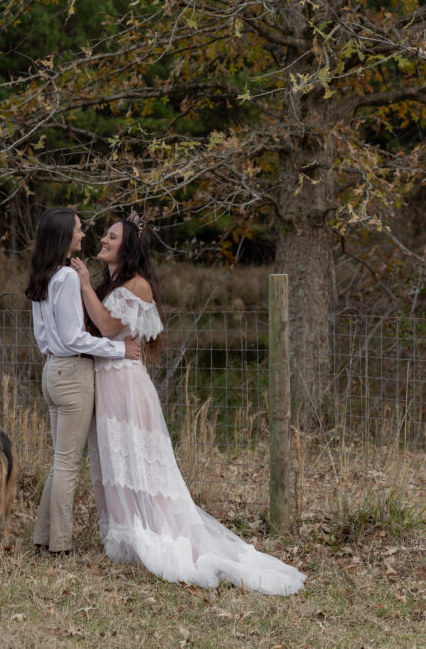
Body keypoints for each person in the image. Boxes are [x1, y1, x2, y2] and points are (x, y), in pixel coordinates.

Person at [71, 215, 305, 594]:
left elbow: (109, 327)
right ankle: (128, 531)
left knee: (144, 465)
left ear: (127, 246)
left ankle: (161, 534)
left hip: (128, 389)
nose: (103, 239)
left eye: (111, 236)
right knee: (118, 461)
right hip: (109, 384)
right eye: (104, 235)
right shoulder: (112, 283)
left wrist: (83, 285)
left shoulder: (138, 284)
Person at [25, 207, 142, 556]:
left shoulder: (43, 275)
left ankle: (43, 538)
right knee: (67, 464)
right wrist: (117, 348)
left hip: (51, 371)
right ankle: (60, 545)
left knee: (59, 460)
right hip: (73, 374)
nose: (83, 235)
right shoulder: (65, 278)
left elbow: (45, 334)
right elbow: (75, 338)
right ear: (63, 235)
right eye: (78, 230)